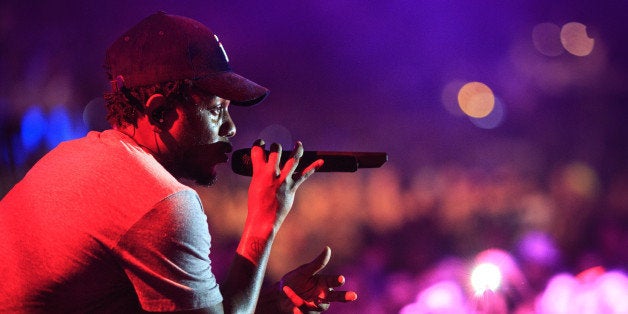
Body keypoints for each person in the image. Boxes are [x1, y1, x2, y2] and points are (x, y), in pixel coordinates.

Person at [0, 11, 357, 313]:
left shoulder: (66, 158)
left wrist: (272, 304)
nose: (230, 128)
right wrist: (263, 223)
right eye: (216, 110)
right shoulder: (161, 203)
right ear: (159, 111)